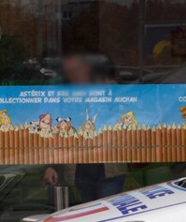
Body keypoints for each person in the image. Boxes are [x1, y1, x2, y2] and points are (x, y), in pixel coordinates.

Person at [42, 52, 129, 202]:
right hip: (81, 169)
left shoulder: (115, 96)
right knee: (90, 217)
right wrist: (51, 166)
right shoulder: (70, 99)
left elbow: (131, 124)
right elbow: (59, 132)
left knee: (107, 214)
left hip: (109, 168)